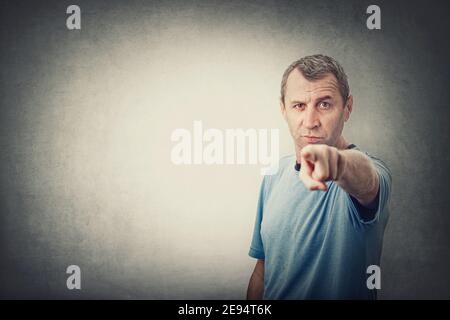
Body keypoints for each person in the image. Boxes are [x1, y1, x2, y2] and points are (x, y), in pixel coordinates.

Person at [247, 54, 392, 300]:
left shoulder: (369, 172)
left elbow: (366, 182)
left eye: (324, 104)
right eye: (299, 106)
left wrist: (335, 163)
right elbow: (263, 269)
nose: (311, 121)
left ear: (347, 108)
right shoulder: (274, 175)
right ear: (283, 109)